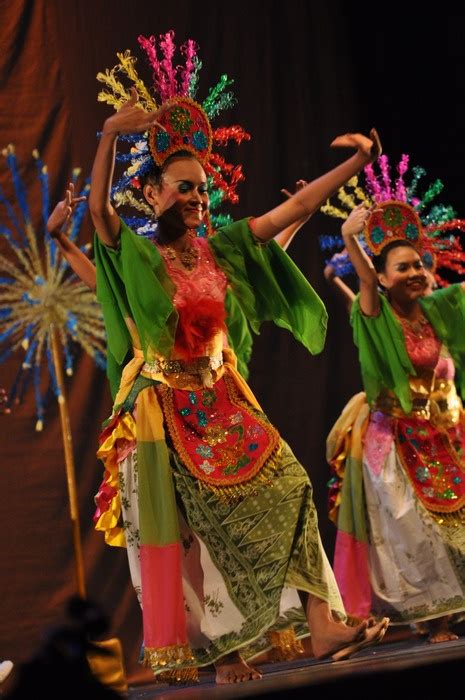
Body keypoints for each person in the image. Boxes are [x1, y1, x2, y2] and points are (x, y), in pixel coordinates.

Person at [88, 32, 388, 685]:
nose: (195, 199)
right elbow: (97, 213)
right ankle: (223, 654)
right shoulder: (137, 255)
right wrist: (110, 134)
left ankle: (320, 622)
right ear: (152, 192)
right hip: (166, 415)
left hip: (224, 403)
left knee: (292, 486)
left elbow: (297, 206)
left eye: (202, 189)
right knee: (201, 538)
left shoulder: (221, 248)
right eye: (181, 189)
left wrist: (359, 163)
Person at [325, 156, 465, 644]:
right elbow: (362, 281)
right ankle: (437, 620)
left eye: (420, 264)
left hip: (444, 435)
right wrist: (350, 238)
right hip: (396, 438)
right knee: (415, 531)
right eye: (402, 267)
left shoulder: (442, 311)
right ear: (382, 279)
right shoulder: (375, 316)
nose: (416, 272)